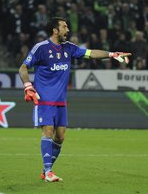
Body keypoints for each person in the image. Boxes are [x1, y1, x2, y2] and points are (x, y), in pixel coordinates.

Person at [18, 17, 131, 182]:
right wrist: (28, 85)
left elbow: (91, 53)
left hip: (61, 101)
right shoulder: (40, 48)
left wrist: (112, 54)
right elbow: (23, 68)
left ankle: (46, 170)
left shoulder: (69, 48)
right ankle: (49, 172)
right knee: (48, 131)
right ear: (55, 30)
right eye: (64, 27)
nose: (68, 30)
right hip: (44, 99)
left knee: (60, 137)